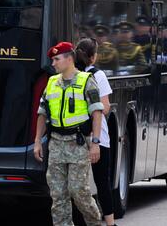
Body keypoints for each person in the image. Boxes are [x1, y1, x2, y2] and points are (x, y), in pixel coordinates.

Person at [34, 41, 104, 226]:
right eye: (53, 60)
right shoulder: (51, 83)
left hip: (78, 143)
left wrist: (95, 142)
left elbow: (97, 112)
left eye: (56, 59)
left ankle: (95, 223)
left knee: (78, 191)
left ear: (69, 59)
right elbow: (42, 113)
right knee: (58, 195)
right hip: (56, 143)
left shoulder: (86, 81)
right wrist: (37, 142)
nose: (53, 64)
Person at [75, 38, 117, 226]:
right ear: (93, 57)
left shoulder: (71, 75)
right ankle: (110, 222)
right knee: (102, 182)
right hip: (99, 137)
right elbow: (105, 107)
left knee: (78, 184)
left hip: (75, 137)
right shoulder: (97, 75)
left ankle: (80, 220)